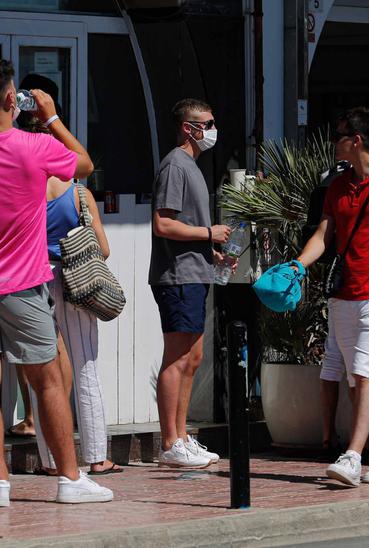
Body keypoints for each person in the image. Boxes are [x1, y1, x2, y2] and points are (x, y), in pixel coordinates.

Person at [0, 58, 112, 505]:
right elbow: (86, 165)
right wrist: (51, 117)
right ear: (13, 99)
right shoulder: (34, 146)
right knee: (48, 379)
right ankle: (71, 479)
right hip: (23, 286)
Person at [294, 108, 369, 487]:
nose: (333, 143)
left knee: (365, 375)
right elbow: (322, 235)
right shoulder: (337, 186)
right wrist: (297, 266)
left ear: (356, 141)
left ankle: (351, 456)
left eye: (338, 137)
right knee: (356, 380)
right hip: (342, 293)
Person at [17, 73, 120, 475]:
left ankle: (48, 460)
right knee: (85, 368)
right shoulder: (76, 189)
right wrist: (54, 119)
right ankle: (96, 457)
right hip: (75, 282)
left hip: (32, 279)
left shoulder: (21, 182)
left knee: (44, 375)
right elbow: (104, 249)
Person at [149, 98, 228, 468]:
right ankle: (170, 442)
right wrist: (208, 232)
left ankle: (182, 435)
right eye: (206, 123)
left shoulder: (193, 166)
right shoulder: (175, 165)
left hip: (195, 271)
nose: (212, 129)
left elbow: (185, 228)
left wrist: (209, 249)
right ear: (188, 127)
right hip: (177, 276)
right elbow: (163, 223)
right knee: (177, 357)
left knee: (193, 358)